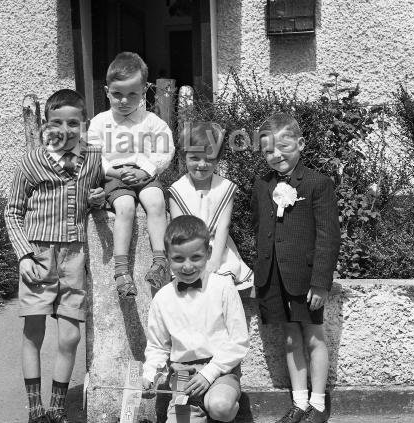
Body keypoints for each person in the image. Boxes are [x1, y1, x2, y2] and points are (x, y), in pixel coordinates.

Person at [4, 89, 105, 423]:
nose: (66, 130)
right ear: (47, 125)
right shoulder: (32, 160)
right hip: (39, 255)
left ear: (84, 124)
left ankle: (58, 409)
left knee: (71, 335)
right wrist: (24, 256)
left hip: (74, 257)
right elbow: (12, 211)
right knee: (34, 332)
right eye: (57, 122)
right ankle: (35, 409)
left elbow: (97, 196)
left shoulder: (93, 157)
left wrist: (99, 197)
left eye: (73, 123)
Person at [251, 113, 341, 423]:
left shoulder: (318, 183)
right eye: (268, 151)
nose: (276, 156)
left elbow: (328, 238)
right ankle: (299, 402)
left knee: (313, 336)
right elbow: (260, 229)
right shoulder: (262, 185)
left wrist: (320, 282)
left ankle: (317, 404)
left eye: (283, 147)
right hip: (273, 276)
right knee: (289, 337)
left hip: (305, 277)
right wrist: (258, 275)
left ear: (300, 145)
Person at [142, 215, 249, 423]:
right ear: (167, 256)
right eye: (179, 259)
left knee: (220, 406)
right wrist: (150, 376)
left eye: (196, 257)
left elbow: (239, 341)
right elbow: (157, 347)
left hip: (220, 371)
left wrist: (209, 373)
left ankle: (222, 414)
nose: (188, 266)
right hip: (183, 378)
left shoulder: (223, 287)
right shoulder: (162, 298)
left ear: (208, 253)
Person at [88, 52, 175, 299]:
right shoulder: (99, 122)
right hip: (114, 176)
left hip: (144, 173)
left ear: (144, 93)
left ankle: (159, 261)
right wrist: (112, 170)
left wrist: (146, 169)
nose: (124, 100)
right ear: (107, 91)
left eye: (132, 94)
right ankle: (121, 271)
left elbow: (165, 149)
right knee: (125, 207)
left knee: (157, 202)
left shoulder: (152, 121)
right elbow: (93, 153)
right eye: (117, 94)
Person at [167, 121, 253, 290]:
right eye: (194, 158)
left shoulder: (225, 187)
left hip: (218, 249)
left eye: (209, 158)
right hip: (188, 251)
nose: (201, 164)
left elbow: (223, 226)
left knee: (221, 282)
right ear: (184, 156)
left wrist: (214, 260)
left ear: (218, 159)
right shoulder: (177, 190)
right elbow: (179, 231)